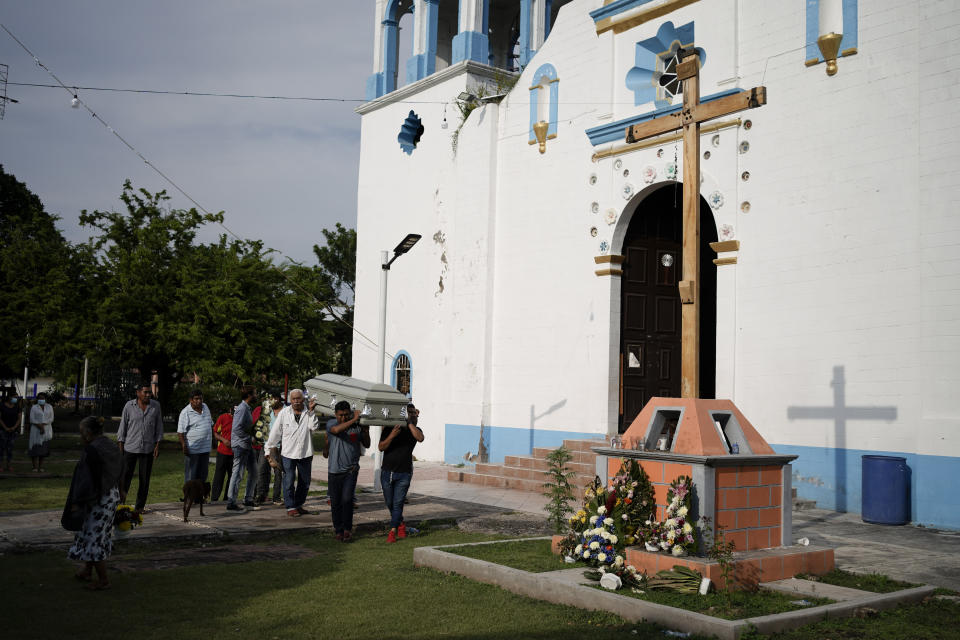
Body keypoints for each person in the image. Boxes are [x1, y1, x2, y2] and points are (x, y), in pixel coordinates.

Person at [64, 416, 122, 591]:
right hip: (111, 494)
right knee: (95, 533)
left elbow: (86, 479)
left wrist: (77, 501)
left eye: (82, 433)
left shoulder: (91, 450)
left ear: (88, 434)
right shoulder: (111, 445)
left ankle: (103, 579)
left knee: (93, 536)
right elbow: (122, 467)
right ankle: (87, 570)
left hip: (97, 498)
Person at [265, 389, 319, 518]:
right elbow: (275, 434)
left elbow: (314, 427)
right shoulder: (284, 413)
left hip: (305, 453)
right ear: (290, 400)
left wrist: (311, 411)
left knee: (305, 482)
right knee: (288, 481)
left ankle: (298, 505)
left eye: (298, 398)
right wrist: (268, 452)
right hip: (288, 454)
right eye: (293, 399)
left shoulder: (308, 412)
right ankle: (290, 506)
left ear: (303, 399)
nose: (296, 401)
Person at [379, 403, 424, 543]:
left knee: (398, 503)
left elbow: (420, 438)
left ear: (417, 414)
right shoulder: (390, 428)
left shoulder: (415, 430)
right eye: (407, 413)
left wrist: (410, 423)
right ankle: (401, 524)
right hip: (387, 472)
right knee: (390, 503)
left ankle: (392, 532)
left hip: (404, 473)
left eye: (413, 412)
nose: (410, 415)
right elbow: (381, 447)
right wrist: (392, 435)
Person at [116, 382, 163, 514]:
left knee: (144, 479)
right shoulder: (129, 406)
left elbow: (159, 427)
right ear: (138, 393)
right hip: (130, 448)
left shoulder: (155, 406)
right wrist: (121, 449)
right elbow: (122, 428)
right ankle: (120, 504)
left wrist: (157, 445)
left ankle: (139, 506)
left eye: (150, 393)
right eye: (145, 392)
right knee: (125, 478)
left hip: (147, 449)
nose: (148, 395)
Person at [326, 400, 366, 542]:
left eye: (346, 415)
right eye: (341, 415)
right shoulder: (331, 423)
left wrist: (364, 429)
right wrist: (354, 419)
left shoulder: (356, 427)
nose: (343, 418)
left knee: (347, 500)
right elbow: (336, 431)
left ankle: (347, 529)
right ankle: (338, 530)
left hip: (351, 469)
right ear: (335, 414)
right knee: (335, 502)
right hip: (334, 470)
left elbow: (366, 443)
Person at [225, 387, 259, 512]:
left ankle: (248, 499)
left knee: (254, 472)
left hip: (247, 445)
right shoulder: (242, 408)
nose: (256, 395)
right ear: (249, 395)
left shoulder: (247, 408)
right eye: (255, 393)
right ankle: (231, 501)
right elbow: (236, 428)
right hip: (240, 445)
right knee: (238, 473)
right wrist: (249, 438)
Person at [177, 389, 213, 483]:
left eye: (201, 399)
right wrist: (184, 445)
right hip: (193, 450)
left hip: (205, 449)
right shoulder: (185, 412)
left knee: (203, 476)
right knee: (191, 477)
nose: (199, 401)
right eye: (196, 399)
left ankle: (199, 497)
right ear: (191, 400)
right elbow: (180, 432)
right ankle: (189, 497)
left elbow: (210, 424)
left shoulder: (206, 407)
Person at [265, 392, 285, 505]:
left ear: (278, 399)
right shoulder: (268, 412)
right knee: (262, 471)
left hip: (282, 446)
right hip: (269, 446)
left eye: (272, 398)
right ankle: (260, 495)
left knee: (279, 472)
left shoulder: (286, 410)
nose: (271, 401)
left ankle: (276, 497)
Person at [210, 412, 233, 502]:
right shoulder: (223, 417)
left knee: (232, 477)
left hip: (234, 453)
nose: (234, 415)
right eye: (233, 413)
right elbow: (215, 433)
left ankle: (227, 498)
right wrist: (224, 440)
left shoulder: (240, 418)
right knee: (219, 476)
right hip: (222, 451)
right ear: (230, 410)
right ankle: (214, 499)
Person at [28, 392, 55, 472]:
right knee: (35, 448)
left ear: (45, 399)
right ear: (37, 399)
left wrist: (43, 425)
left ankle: (41, 466)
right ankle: (35, 467)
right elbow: (32, 419)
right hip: (36, 430)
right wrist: (40, 426)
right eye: (39, 398)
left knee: (43, 449)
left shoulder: (49, 407)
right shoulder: (34, 407)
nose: (41, 400)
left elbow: (51, 418)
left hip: (46, 429)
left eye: (42, 398)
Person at [0, 394, 21, 472]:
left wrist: (14, 427)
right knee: (1, 448)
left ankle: (9, 465)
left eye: (17, 398)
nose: (16, 399)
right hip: (2, 430)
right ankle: (1, 465)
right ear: (9, 397)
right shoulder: (2, 406)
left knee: (10, 449)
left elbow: (19, 419)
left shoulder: (17, 407)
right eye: (14, 397)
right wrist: (5, 428)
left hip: (13, 430)